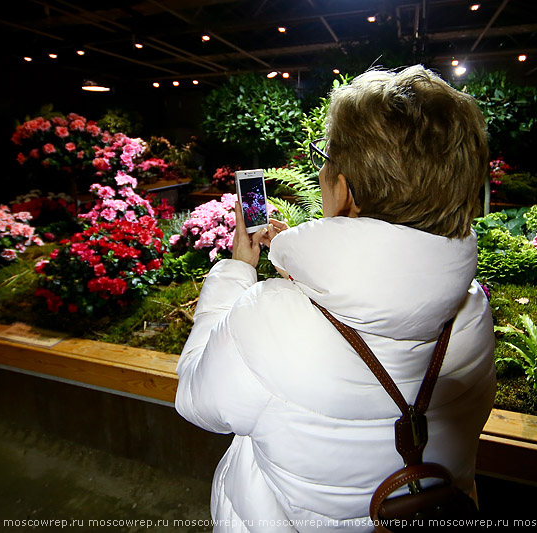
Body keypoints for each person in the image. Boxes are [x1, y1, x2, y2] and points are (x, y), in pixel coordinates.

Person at [175, 65, 495, 531]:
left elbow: (196, 400)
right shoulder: (473, 310)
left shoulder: (268, 316)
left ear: (343, 189)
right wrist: (305, 275)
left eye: (324, 157)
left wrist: (237, 272)